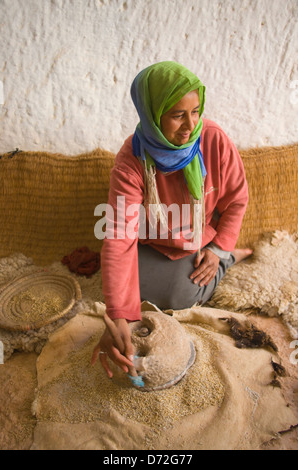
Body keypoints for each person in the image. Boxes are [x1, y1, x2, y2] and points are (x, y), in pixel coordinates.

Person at [92, 61, 252, 378]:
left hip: (197, 238)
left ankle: (229, 258)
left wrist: (220, 247)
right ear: (152, 114)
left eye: (196, 112)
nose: (189, 125)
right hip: (152, 240)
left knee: (179, 295)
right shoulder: (131, 160)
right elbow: (119, 237)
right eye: (178, 115)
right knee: (122, 296)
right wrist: (117, 316)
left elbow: (236, 198)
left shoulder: (214, 140)